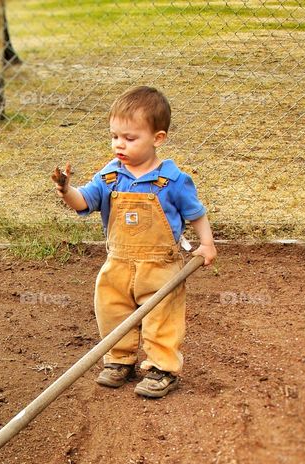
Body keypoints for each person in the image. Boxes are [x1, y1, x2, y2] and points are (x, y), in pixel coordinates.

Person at [51, 85, 216, 398]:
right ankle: (119, 360)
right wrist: (66, 191)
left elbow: (196, 213)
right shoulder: (110, 176)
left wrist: (206, 244)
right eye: (115, 136)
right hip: (119, 262)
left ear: (158, 138)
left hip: (160, 266)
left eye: (129, 138)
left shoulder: (173, 180)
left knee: (161, 317)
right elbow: (84, 201)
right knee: (112, 309)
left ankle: (162, 368)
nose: (119, 145)